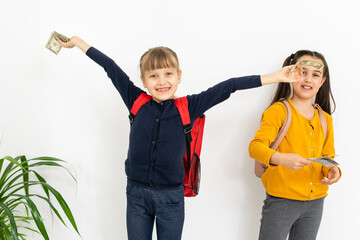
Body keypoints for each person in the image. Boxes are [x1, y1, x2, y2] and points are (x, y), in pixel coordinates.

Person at [57, 35, 297, 240]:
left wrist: (275, 77)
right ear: (143, 81)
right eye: (153, 76)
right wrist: (79, 43)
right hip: (136, 195)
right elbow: (110, 67)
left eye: (168, 73)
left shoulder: (189, 106)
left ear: (179, 76)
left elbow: (228, 86)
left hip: (170, 197)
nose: (162, 81)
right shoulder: (136, 100)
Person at [249, 50, 341, 240]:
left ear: (322, 81)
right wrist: (282, 159)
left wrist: (334, 171)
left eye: (315, 75)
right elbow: (255, 147)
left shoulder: (326, 119)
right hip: (281, 201)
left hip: (315, 203)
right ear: (291, 74)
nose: (308, 79)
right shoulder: (278, 111)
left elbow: (328, 157)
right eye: (302, 72)